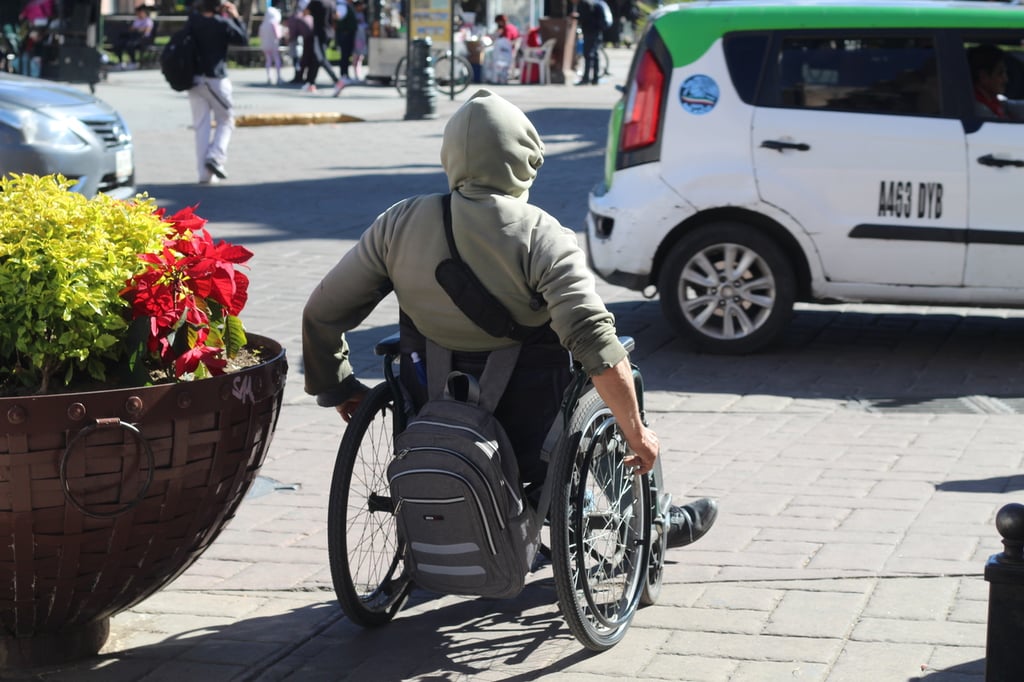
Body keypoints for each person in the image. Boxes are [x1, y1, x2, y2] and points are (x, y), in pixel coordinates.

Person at [302, 90, 718, 552]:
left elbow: (321, 313)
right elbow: (595, 343)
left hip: (430, 417)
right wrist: (636, 433)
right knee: (621, 378)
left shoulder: (397, 224)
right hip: (533, 440)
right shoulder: (544, 236)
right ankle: (653, 520)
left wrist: (339, 386)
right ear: (525, 161)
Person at [186, 0, 247, 184]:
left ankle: (204, 174)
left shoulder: (193, 21)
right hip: (215, 79)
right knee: (227, 119)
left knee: (201, 125)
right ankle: (215, 156)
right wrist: (235, 16)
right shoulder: (221, 23)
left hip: (193, 79)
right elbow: (243, 39)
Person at [968, 43, 1022, 121]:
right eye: (1000, 73)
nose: (1006, 79)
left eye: (1005, 73)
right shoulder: (981, 112)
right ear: (984, 77)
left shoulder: (991, 101)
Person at [304, 0, 344, 95]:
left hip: (319, 33)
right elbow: (337, 16)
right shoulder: (331, 2)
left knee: (320, 58)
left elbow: (305, 13)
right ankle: (311, 83)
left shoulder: (316, 1)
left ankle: (337, 81)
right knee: (316, 58)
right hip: (329, 33)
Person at [569, 0, 606, 85]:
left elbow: (586, 18)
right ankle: (595, 78)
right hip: (596, 31)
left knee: (588, 55)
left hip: (590, 32)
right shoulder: (589, 3)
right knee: (595, 55)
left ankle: (586, 78)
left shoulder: (584, 4)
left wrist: (576, 17)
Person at [286, 4, 314, 84]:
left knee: (299, 59)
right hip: (312, 37)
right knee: (309, 59)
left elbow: (293, 33)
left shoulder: (294, 18)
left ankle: (298, 76)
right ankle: (307, 77)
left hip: (307, 39)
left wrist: (289, 40)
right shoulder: (307, 16)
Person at [259, 5, 283, 85]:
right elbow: (278, 35)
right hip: (273, 45)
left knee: (268, 60)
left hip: (265, 45)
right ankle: (279, 77)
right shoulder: (274, 24)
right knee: (276, 60)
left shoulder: (263, 25)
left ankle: (269, 77)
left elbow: (260, 35)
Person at [334, 0, 357, 82]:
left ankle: (345, 74)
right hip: (345, 34)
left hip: (347, 34)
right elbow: (338, 17)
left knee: (346, 56)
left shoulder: (345, 4)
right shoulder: (342, 5)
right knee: (344, 56)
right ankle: (344, 75)